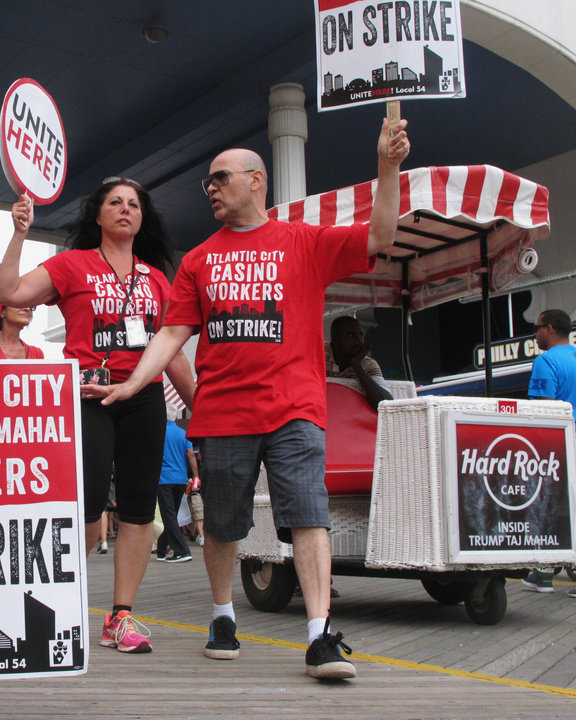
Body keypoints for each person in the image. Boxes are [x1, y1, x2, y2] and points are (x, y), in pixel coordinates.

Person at [95, 117, 410, 678]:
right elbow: (170, 334)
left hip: (295, 407)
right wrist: (134, 382)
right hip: (222, 412)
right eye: (208, 183)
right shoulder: (196, 260)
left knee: (309, 514)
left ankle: (320, 634)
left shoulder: (305, 240)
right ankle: (222, 616)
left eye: (219, 178)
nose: (210, 188)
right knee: (222, 523)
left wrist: (388, 166)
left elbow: (380, 235)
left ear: (257, 180)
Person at [0, 179, 195, 653]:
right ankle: (49, 600)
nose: (125, 210)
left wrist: (199, 408)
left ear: (141, 218)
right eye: (114, 203)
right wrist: (20, 233)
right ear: (98, 216)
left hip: (143, 397)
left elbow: (174, 352)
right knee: (84, 506)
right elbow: (10, 292)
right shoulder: (72, 264)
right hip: (86, 392)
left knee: (140, 507)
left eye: (133, 204)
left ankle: (120, 616)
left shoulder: (156, 278)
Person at [521, 309, 576, 596]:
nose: (535, 333)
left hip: (561, 447)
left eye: (537, 327)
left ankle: (543, 573)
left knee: (549, 505)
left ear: (550, 329)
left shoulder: (546, 361)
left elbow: (544, 412)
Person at [155, 403, 199, 563]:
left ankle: (182, 550)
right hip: (180, 479)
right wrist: (196, 476)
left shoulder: (158, 433)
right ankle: (161, 550)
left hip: (164, 478)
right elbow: (191, 455)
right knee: (171, 514)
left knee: (169, 516)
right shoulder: (183, 433)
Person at [325, 316, 392, 411]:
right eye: (351, 335)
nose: (358, 341)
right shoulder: (319, 354)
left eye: (360, 335)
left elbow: (386, 405)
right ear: (335, 340)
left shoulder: (367, 364)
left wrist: (357, 366)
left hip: (351, 415)